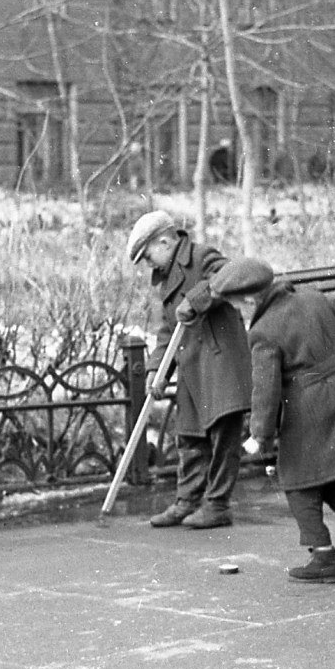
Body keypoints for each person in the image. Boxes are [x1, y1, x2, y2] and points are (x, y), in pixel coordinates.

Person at [210, 257, 335, 583]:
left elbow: (266, 390)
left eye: (235, 307)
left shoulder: (263, 331)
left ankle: (324, 557)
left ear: (249, 299)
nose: (238, 313)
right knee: (316, 469)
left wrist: (260, 434)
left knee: (296, 480)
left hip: (310, 405)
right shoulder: (314, 298)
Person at [126, 210, 252, 530]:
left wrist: (196, 298)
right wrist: (157, 371)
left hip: (220, 360)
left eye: (148, 255)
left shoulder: (201, 256)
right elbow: (167, 331)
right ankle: (188, 500)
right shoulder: (166, 279)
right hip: (192, 365)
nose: (147, 264)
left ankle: (218, 504)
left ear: (165, 242)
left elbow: (234, 276)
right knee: (189, 435)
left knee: (224, 435)